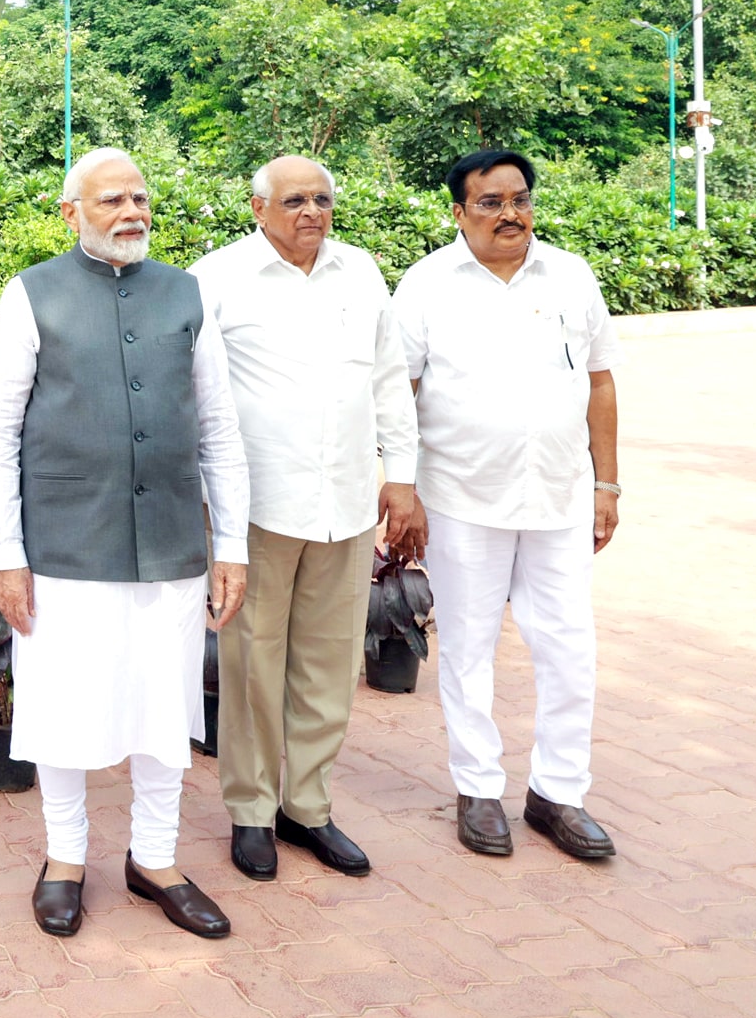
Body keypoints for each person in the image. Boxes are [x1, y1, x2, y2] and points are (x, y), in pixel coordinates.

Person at [0, 146, 251, 939]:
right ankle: (65, 859)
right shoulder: (31, 296)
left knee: (166, 705)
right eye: (109, 201)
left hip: (168, 541)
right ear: (72, 214)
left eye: (138, 197)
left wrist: (229, 541)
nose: (130, 212)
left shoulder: (185, 294)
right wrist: (7, 554)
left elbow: (218, 429)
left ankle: (155, 858)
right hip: (64, 544)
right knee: (62, 703)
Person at [190, 156, 418, 883]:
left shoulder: (362, 272)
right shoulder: (217, 278)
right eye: (294, 200)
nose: (310, 212)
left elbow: (388, 378)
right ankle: (252, 811)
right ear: (258, 208)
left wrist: (402, 477)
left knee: (328, 667)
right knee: (253, 664)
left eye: (321, 198)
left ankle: (307, 808)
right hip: (257, 505)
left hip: (347, 503)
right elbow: (194, 392)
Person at [391, 148, 621, 861]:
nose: (509, 213)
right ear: (458, 211)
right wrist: (401, 487)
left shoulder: (571, 276)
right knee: (467, 649)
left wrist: (607, 484)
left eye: (519, 198)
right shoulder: (427, 285)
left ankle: (559, 794)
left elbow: (602, 382)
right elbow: (398, 393)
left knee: (569, 649)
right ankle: (479, 788)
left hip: (559, 496)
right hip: (462, 498)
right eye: (490, 202)